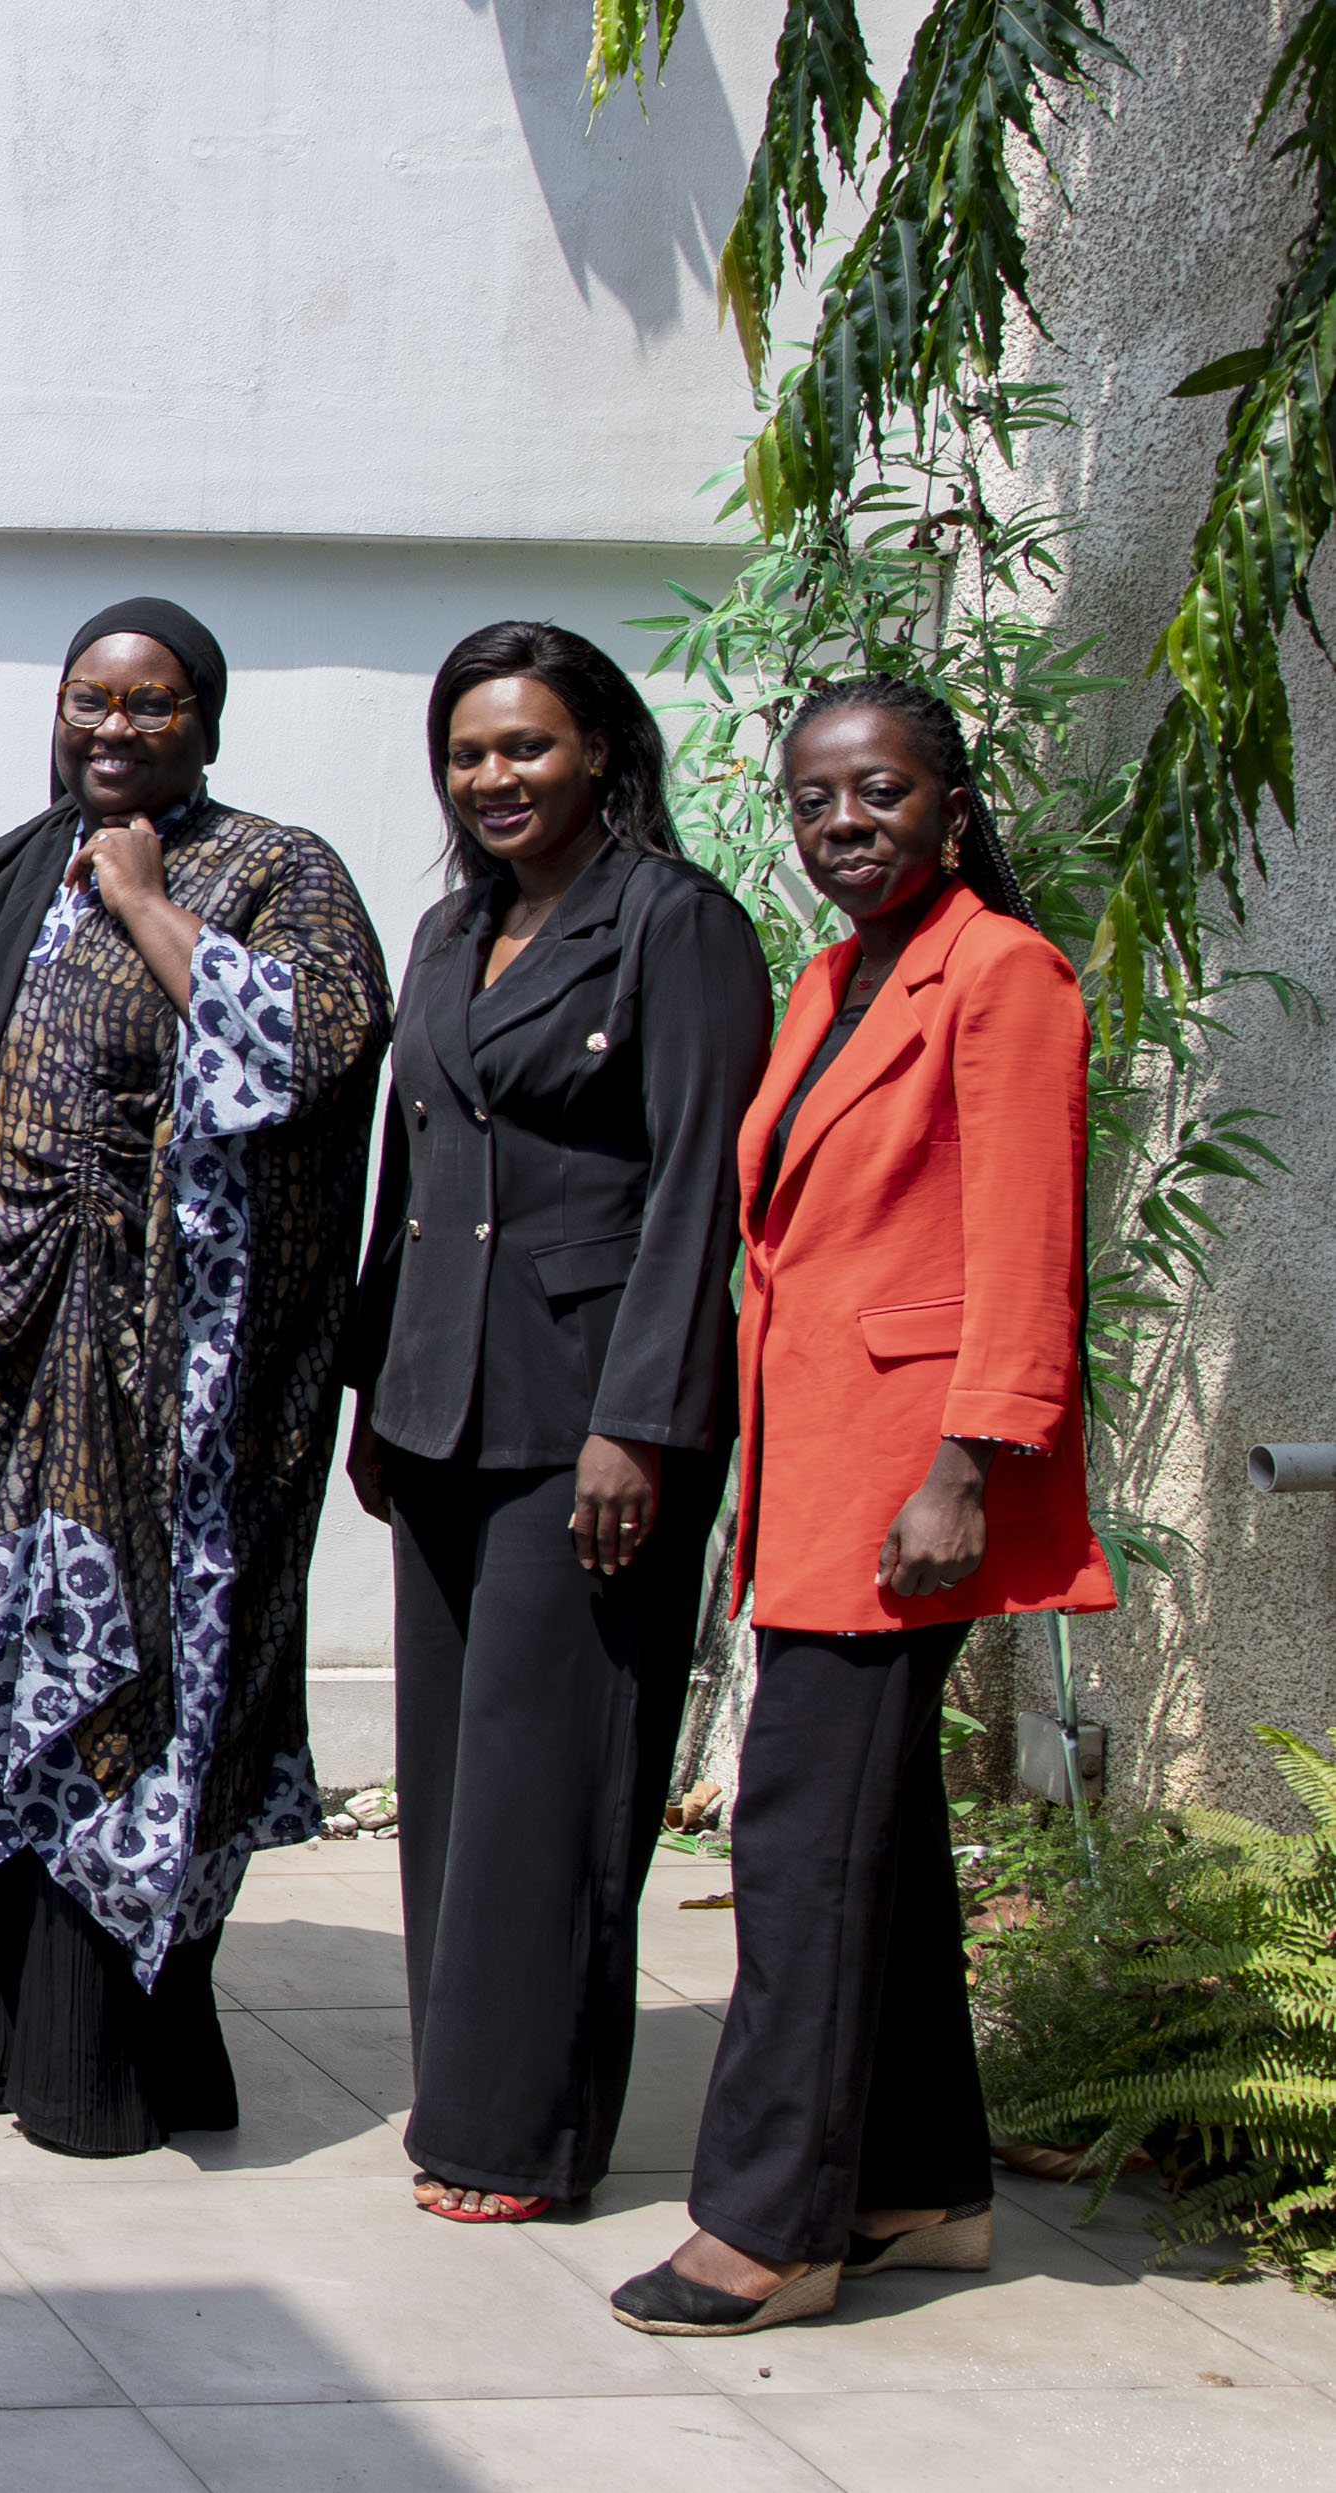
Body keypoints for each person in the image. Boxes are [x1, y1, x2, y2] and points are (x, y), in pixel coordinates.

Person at [612, 676, 1112, 2336]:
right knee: (870, 1835)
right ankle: (924, 2185)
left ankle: (771, 2228)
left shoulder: (1005, 971)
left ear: (952, 807)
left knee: (800, 1842)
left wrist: (967, 1466)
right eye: (817, 798)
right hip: (815, 1458)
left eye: (880, 791)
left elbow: (1028, 1244)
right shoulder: (835, 977)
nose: (845, 822)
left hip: (910, 1476)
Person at [0, 596, 387, 2157]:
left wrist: (150, 902)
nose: (112, 726)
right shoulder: (1, 874)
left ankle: (104, 2052)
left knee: (131, 1683)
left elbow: (312, 1050)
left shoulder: (275, 870)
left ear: (205, 722)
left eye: (151, 702)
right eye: (87, 697)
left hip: (168, 1388)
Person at [342, 623, 767, 2222]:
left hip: (590, 1419)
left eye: (526, 745)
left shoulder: (674, 922)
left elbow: (698, 1189)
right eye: (468, 752)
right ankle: (467, 2090)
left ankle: (525, 2135)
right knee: (454, 1779)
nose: (495, 776)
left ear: (599, 748)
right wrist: (377, 1391)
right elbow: (414, 1169)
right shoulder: (452, 928)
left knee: (552, 1782)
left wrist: (639, 1423)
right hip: (441, 1407)